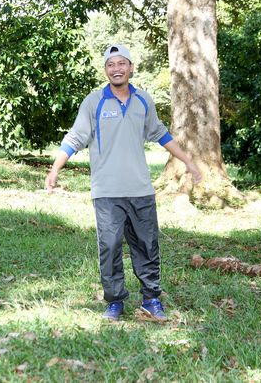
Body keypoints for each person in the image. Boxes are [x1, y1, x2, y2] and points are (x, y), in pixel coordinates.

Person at [45, 44, 202, 321]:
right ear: (105, 70)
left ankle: (151, 300)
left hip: (140, 190)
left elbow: (160, 133)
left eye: (121, 64)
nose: (116, 69)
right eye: (110, 65)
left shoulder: (143, 100)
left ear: (131, 67)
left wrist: (188, 161)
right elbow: (75, 138)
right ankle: (115, 302)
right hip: (107, 192)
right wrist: (55, 169)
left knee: (147, 246)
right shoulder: (94, 102)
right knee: (110, 247)